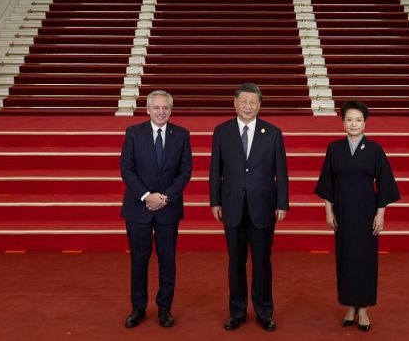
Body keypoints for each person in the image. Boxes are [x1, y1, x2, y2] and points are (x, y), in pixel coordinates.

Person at [314, 100, 400, 333]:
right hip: (341, 211)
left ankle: (363, 309)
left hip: (366, 211)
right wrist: (328, 210)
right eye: (349, 119)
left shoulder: (374, 150)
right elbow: (326, 182)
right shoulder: (334, 149)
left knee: (364, 259)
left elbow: (385, 183)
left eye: (358, 120)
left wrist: (380, 214)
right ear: (343, 123)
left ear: (365, 123)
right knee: (345, 258)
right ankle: (349, 306)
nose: (354, 123)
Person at [209, 83, 289, 332]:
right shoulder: (221, 131)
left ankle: (265, 312)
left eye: (253, 102)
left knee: (263, 262)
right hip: (232, 206)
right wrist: (215, 201)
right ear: (234, 103)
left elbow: (281, 172)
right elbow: (215, 171)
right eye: (243, 101)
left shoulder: (273, 133)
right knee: (236, 262)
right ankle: (237, 311)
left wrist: (282, 203)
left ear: (259, 105)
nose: (247, 106)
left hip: (263, 207)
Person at [119, 90, 193, 328]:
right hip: (137, 208)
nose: (161, 112)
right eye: (157, 108)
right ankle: (138, 308)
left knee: (167, 260)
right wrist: (146, 196)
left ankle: (165, 307)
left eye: (166, 108)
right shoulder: (133, 133)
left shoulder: (181, 135)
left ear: (171, 110)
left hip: (168, 208)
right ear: (148, 109)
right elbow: (127, 169)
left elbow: (185, 172)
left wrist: (164, 198)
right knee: (139, 260)